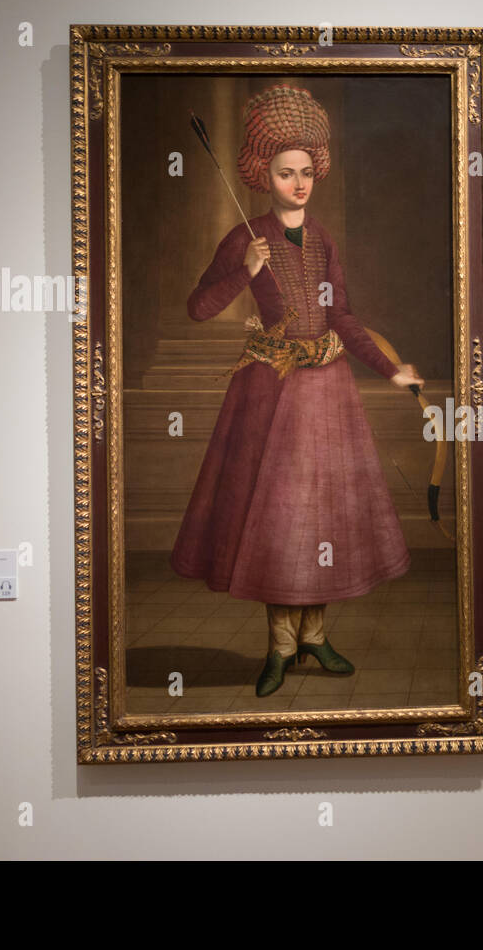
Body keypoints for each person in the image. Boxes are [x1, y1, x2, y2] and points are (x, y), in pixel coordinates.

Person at [169, 85, 424, 697]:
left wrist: (391, 370)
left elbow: (342, 317)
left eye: (307, 171)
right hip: (271, 392)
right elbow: (199, 308)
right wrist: (245, 271)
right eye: (287, 172)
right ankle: (280, 647)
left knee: (324, 517)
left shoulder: (326, 240)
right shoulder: (244, 238)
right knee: (279, 522)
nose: (299, 183)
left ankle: (314, 637)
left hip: (328, 392)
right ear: (264, 174)